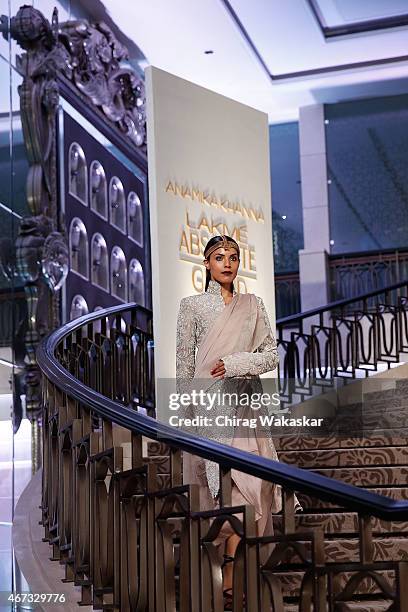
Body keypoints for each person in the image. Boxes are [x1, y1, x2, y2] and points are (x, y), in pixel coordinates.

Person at [175, 234, 290, 602]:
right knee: (218, 486)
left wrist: (238, 363)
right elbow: (183, 364)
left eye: (234, 257)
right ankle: (222, 567)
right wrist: (187, 412)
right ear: (206, 264)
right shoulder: (191, 305)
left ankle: (231, 562)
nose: (228, 263)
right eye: (219, 257)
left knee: (249, 487)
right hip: (209, 407)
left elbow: (271, 355)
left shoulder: (252, 305)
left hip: (243, 403)